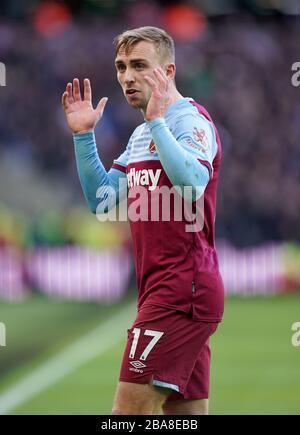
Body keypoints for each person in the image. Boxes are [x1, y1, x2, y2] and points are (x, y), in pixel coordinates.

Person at [62, 26, 224, 415]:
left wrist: (157, 123)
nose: (127, 77)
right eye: (121, 66)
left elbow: (191, 186)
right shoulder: (140, 135)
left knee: (127, 415)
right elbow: (103, 203)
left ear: (168, 72)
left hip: (181, 292)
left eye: (139, 65)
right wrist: (84, 136)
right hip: (161, 290)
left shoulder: (190, 122)